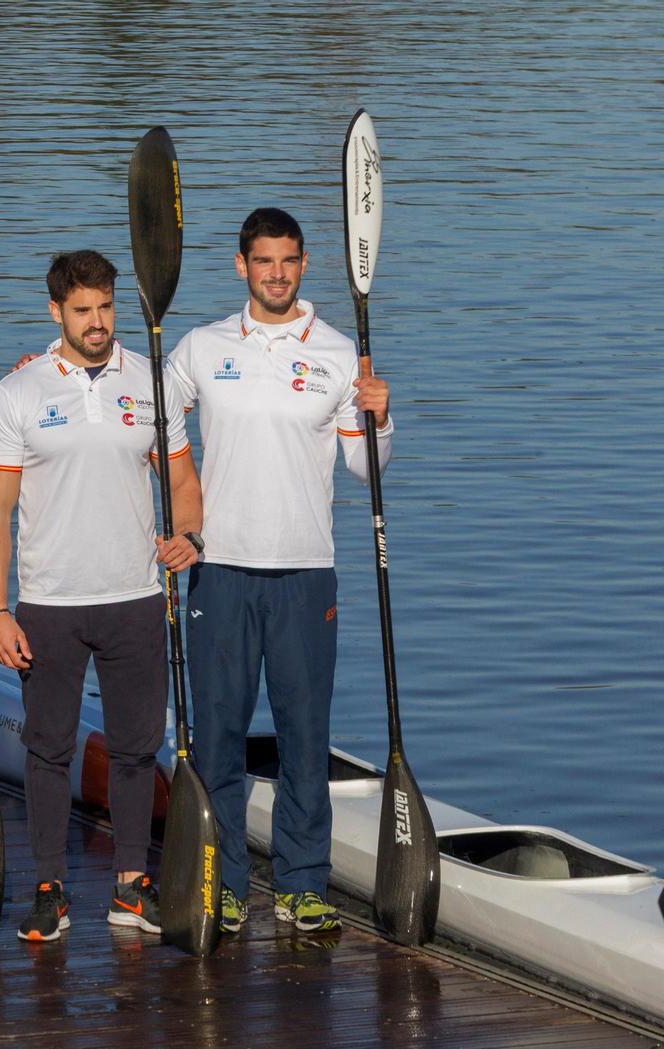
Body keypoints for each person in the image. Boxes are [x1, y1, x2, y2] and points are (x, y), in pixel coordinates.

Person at [167, 207, 391, 934]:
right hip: (221, 569)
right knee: (218, 738)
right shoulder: (201, 347)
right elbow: (148, 417)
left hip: (305, 572)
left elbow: (366, 468)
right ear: (242, 265)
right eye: (263, 261)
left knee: (304, 736)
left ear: (304, 264)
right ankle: (225, 882)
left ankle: (301, 883)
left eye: (288, 261)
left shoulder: (337, 353)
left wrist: (379, 419)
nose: (276, 273)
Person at [0, 251, 202, 942]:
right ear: (56, 312)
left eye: (105, 306)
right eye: (82, 310)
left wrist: (190, 534)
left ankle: (131, 887)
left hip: (136, 597)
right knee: (48, 751)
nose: (97, 321)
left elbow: (183, 482)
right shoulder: (18, 392)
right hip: (49, 605)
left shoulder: (151, 383)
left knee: (136, 749)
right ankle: (50, 889)